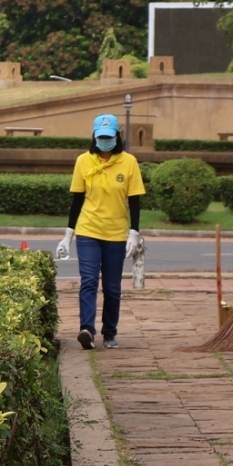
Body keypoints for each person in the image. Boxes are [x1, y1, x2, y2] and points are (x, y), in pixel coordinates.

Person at [56, 113, 145, 350]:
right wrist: (68, 235)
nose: (105, 141)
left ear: (117, 136)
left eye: (109, 137)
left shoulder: (129, 162)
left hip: (116, 234)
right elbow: (77, 199)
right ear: (94, 137)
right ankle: (87, 329)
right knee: (88, 281)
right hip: (88, 230)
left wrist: (134, 233)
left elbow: (135, 200)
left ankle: (109, 332)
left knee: (112, 287)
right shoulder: (83, 161)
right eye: (101, 137)